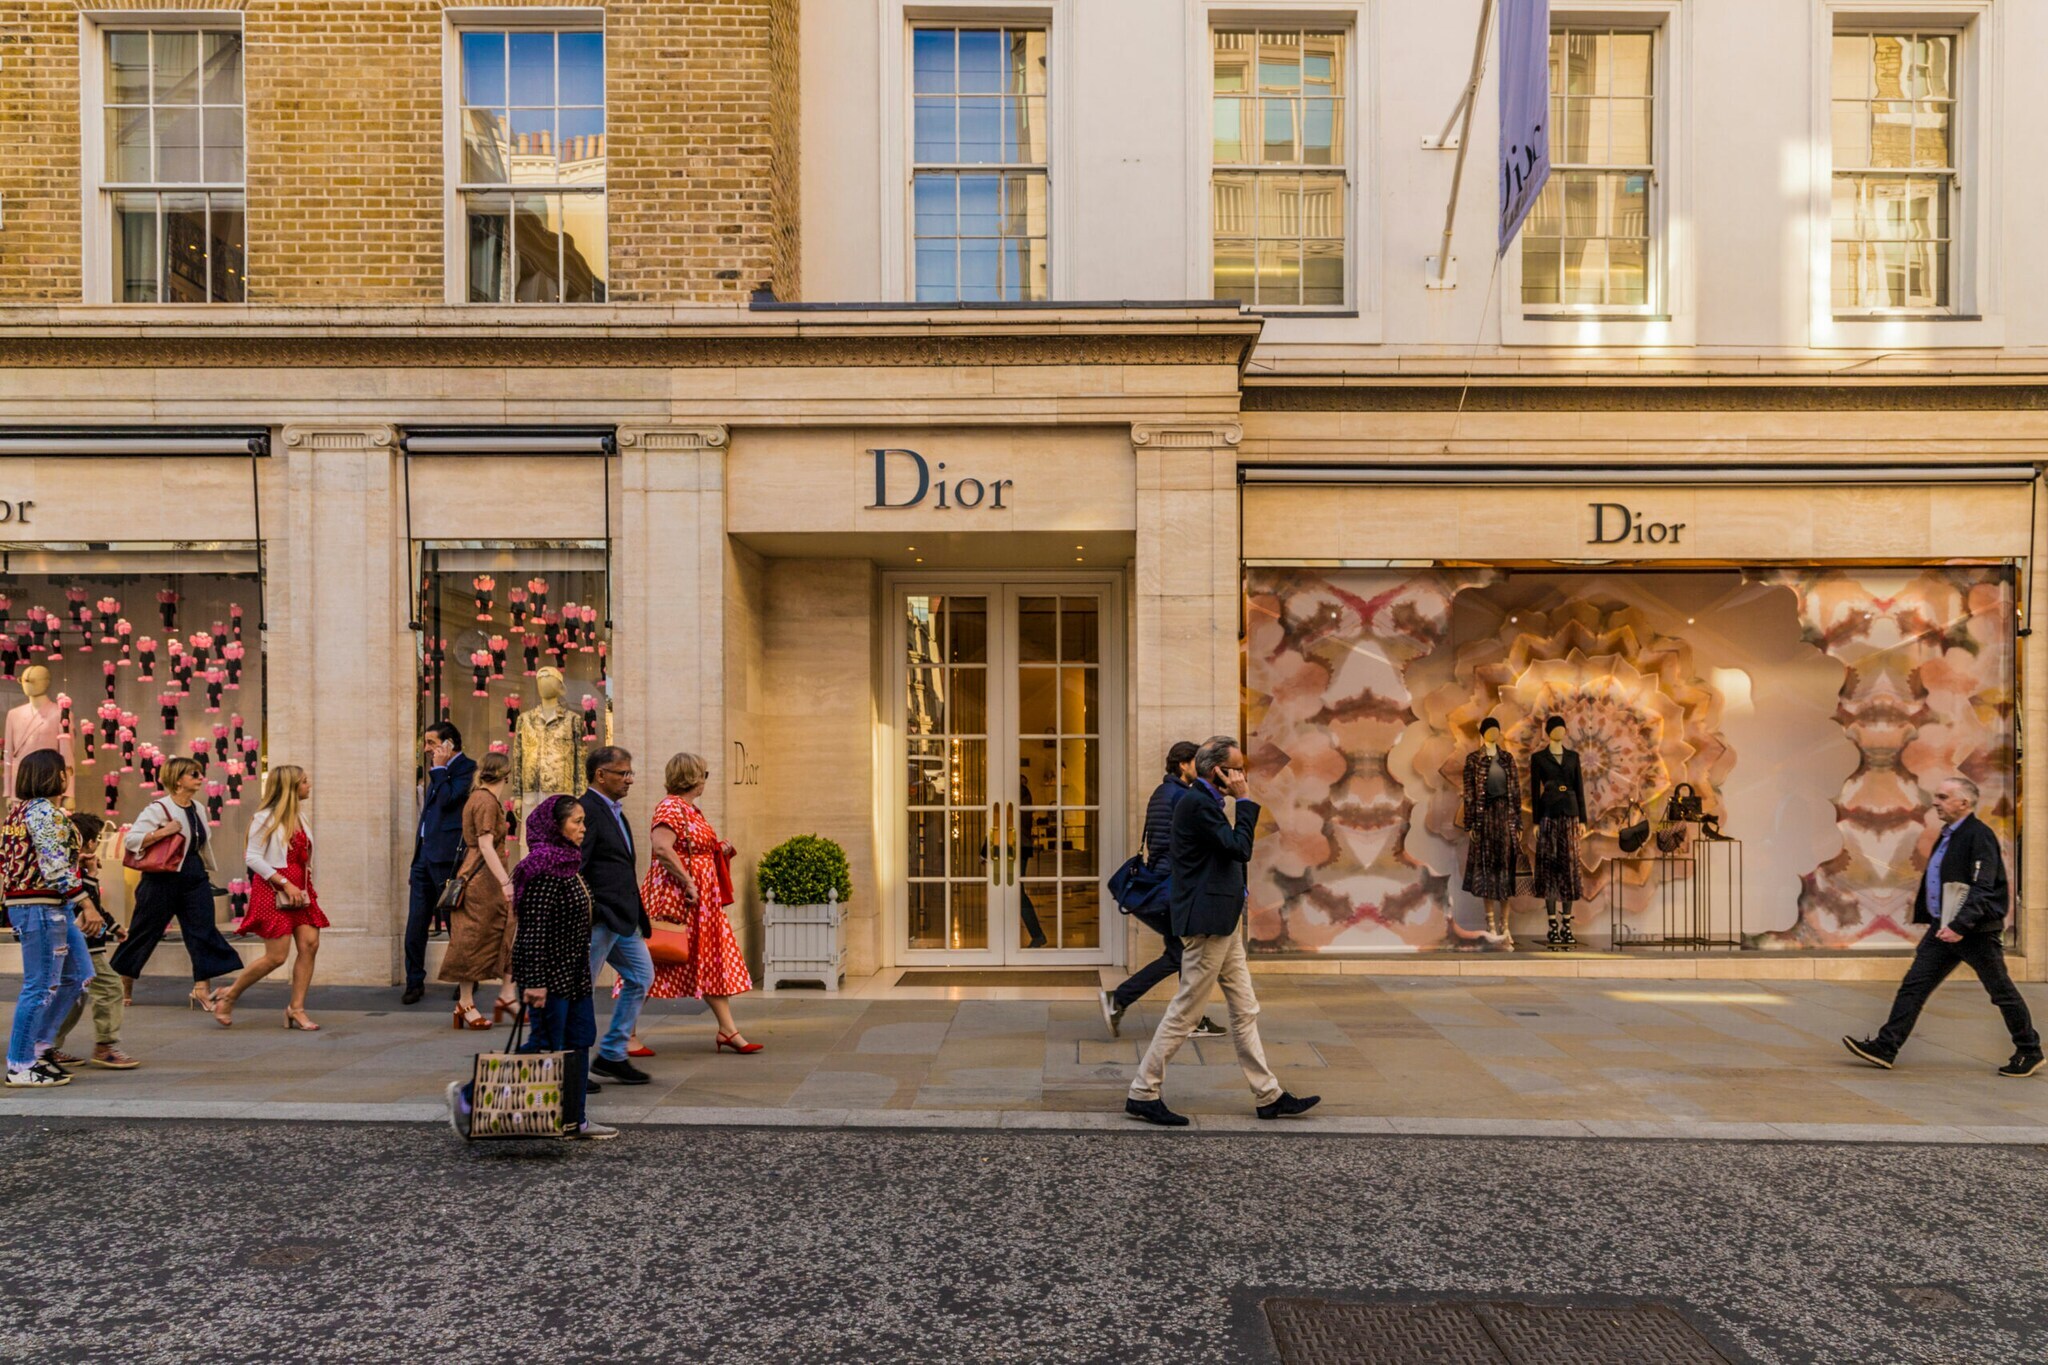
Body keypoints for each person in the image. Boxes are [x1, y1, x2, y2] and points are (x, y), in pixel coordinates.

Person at [1125, 735, 1319, 1127]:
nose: (1242, 774)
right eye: (1238, 768)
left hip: (1222, 922)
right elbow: (1238, 847)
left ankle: (1268, 1095)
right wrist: (1245, 802)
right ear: (1219, 771)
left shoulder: (1205, 801)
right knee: (1185, 1012)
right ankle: (1143, 1092)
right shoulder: (1197, 804)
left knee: (1245, 1008)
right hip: (1208, 923)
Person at [1844, 776, 2042, 1078]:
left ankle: (2029, 1050)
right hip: (1943, 928)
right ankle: (1886, 1047)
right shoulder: (1950, 834)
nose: (1935, 802)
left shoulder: (1978, 835)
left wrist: (1961, 925)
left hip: (1974, 932)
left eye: (1942, 797)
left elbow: (1983, 886)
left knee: (2000, 990)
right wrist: (1941, 921)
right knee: (1914, 986)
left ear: (1963, 803)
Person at [445, 795, 616, 1142]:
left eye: (584, 821)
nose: (583, 828)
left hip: (574, 973)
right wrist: (534, 983)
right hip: (549, 977)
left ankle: (576, 1118)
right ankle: (467, 1097)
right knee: (544, 1043)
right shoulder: (542, 869)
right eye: (576, 822)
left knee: (580, 1039)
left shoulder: (569, 863)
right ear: (556, 826)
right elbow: (532, 930)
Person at [1101, 741, 1224, 1039]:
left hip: (1164, 881)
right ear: (1183, 765)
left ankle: (1188, 1019)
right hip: (1174, 885)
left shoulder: (1164, 792)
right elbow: (1183, 843)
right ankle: (1120, 999)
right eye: (1198, 762)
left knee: (1182, 952)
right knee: (1181, 953)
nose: (1204, 768)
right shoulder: (1182, 797)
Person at [640, 752, 759, 1053]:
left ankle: (728, 1030)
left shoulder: (690, 810)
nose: (706, 780)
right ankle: (623, 1034)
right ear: (692, 777)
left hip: (701, 901)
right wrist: (689, 882)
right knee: (653, 962)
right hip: (680, 899)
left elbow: (689, 847)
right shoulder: (670, 807)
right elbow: (663, 849)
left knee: (710, 960)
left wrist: (718, 848)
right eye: (704, 774)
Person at [110, 755, 243, 1010]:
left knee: (201, 931)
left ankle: (201, 989)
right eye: (194, 774)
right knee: (144, 932)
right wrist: (163, 832)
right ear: (178, 780)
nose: (200, 778)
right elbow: (131, 840)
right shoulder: (158, 809)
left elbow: (200, 843)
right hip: (161, 878)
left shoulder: (199, 809)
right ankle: (124, 980)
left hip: (193, 875)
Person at [213, 764, 328, 1031]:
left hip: (300, 887)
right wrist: (285, 884)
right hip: (274, 888)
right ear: (290, 787)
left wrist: (302, 885)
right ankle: (229, 995)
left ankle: (295, 1009)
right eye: (304, 782)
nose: (308, 785)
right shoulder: (264, 818)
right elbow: (252, 858)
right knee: (276, 956)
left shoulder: (301, 818)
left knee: (310, 944)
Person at [3, 751, 93, 1087]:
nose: (68, 775)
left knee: (79, 974)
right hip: (40, 906)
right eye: (64, 770)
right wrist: (87, 902)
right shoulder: (42, 812)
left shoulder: (20, 813)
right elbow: (54, 866)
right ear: (52, 775)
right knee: (40, 986)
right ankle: (21, 1062)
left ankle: (39, 1048)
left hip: (45, 905)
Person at [578, 745, 655, 1086]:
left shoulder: (614, 810)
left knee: (641, 977)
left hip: (622, 919)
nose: (630, 779)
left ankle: (611, 1054)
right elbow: (577, 865)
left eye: (630, 772)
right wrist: (592, 909)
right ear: (601, 775)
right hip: (600, 918)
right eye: (623, 773)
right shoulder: (587, 811)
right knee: (580, 992)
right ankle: (571, 1066)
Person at [50, 812, 140, 1070]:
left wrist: (113, 927)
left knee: (73, 995)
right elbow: (85, 905)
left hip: (82, 942)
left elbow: (94, 908)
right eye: (97, 838)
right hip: (84, 946)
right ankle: (106, 1045)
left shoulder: (68, 866)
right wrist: (90, 874)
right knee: (111, 987)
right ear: (89, 842)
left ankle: (49, 1044)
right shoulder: (73, 870)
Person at [438, 751, 520, 1029]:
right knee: (473, 938)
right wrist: (506, 883)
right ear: (505, 775)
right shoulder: (485, 800)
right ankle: (466, 1003)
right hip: (481, 879)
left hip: (482, 876)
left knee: (501, 930)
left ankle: (505, 996)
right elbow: (485, 845)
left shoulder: (478, 797)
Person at [402, 722, 474, 1004]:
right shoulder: (438, 771)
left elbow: (448, 802)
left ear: (450, 744)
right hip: (423, 857)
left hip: (448, 858)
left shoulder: (467, 768)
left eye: (432, 743)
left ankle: (467, 980)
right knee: (416, 922)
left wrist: (441, 768)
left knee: (455, 923)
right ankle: (414, 981)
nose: (427, 749)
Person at [1460, 716, 1524, 949]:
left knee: (1506, 871)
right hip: (1485, 817)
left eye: (1497, 730)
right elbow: (1469, 793)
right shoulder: (1474, 760)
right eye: (1490, 730)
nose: (1493, 734)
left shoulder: (1507, 759)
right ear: (1483, 733)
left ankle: (1505, 925)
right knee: (1488, 871)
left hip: (1505, 817)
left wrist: (1517, 823)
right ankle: (1491, 925)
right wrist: (1471, 824)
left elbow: (1516, 793)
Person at [1528, 715, 1587, 950]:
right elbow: (1534, 790)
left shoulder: (1573, 757)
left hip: (1570, 814)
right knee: (1550, 867)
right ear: (1549, 731)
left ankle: (1567, 925)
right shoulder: (1539, 758)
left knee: (1570, 867)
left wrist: (1582, 819)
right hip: (1548, 814)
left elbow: (1579, 787)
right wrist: (1535, 821)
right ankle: (1552, 925)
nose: (1560, 732)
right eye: (1556, 728)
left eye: (1563, 728)